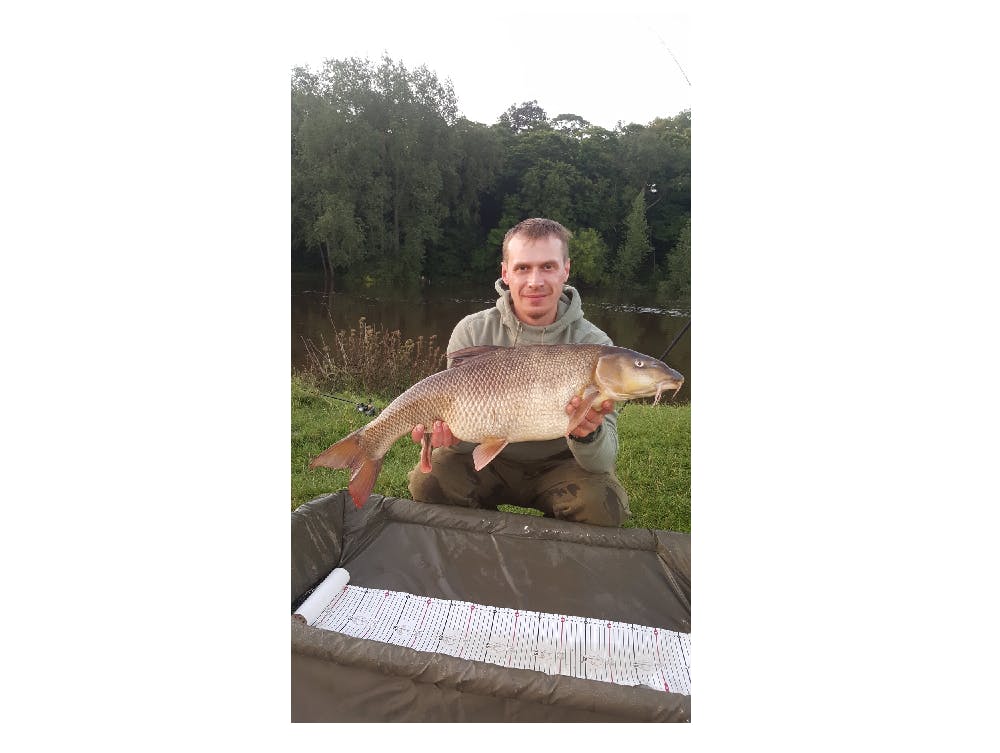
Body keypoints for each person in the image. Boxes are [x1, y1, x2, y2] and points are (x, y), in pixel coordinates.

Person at [406, 217, 630, 527]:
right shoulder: (472, 332)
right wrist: (452, 437)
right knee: (429, 483)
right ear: (505, 273)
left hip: (560, 465)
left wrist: (589, 435)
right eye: (523, 268)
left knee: (604, 505)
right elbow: (463, 435)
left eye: (548, 267)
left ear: (566, 269)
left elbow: (603, 462)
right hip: (489, 463)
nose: (535, 281)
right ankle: (486, 538)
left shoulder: (595, 347)